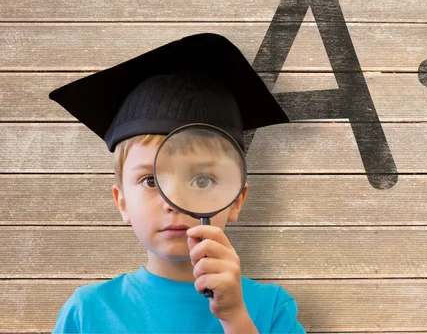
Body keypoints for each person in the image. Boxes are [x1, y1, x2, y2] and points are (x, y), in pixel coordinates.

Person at [48, 33, 306, 333]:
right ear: (122, 202)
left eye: (202, 179)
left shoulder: (270, 308)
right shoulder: (87, 312)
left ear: (236, 199)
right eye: (150, 181)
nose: (173, 202)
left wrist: (235, 317)